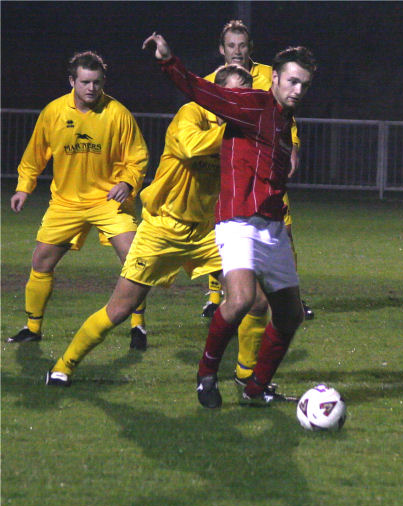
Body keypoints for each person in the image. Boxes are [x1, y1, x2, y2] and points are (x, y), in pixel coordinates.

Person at [44, 66, 252, 386]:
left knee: (254, 299)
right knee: (121, 308)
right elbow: (191, 148)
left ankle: (249, 379)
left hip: (209, 231)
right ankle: (64, 365)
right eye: (233, 95)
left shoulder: (243, 130)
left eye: (245, 97)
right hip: (163, 227)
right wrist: (240, 127)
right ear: (217, 94)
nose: (240, 102)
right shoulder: (191, 115)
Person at [143, 32, 315, 408]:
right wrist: (169, 61)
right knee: (239, 300)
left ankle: (256, 389)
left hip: (271, 224)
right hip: (238, 221)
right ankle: (206, 374)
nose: (298, 89)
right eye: (292, 81)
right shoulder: (252, 104)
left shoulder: (287, 121)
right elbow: (201, 91)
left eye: (304, 83)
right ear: (274, 79)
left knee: (289, 315)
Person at [6, 51, 149, 349]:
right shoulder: (54, 112)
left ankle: (138, 325)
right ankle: (32, 328)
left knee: (136, 259)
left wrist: (127, 181)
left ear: (103, 81)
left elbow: (137, 157)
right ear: (72, 81)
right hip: (66, 203)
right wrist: (23, 188)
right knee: (41, 261)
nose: (91, 88)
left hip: (108, 201)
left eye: (97, 82)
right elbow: (34, 156)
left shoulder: (118, 113)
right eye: (85, 82)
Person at [200, 20, 314, 323]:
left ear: (251, 48)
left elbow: (285, 116)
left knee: (283, 230)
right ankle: (219, 296)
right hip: (232, 165)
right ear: (221, 49)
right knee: (228, 229)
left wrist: (293, 148)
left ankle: (288, 296)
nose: (237, 51)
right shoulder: (211, 81)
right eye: (231, 46)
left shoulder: (269, 75)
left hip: (267, 165)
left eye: (243, 45)